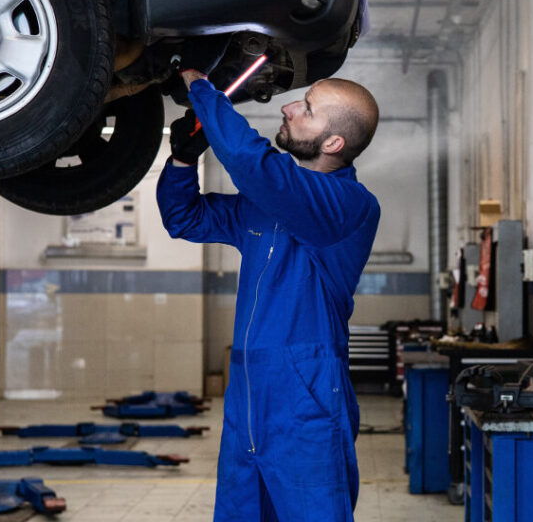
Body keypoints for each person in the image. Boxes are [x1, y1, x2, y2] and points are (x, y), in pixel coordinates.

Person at [156, 51, 380, 521]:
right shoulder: (267, 205)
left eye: (307, 108)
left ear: (333, 141)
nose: (288, 108)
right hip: (248, 396)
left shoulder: (350, 206)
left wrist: (201, 85)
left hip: (307, 398)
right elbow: (185, 218)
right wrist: (180, 160)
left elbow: (250, 163)